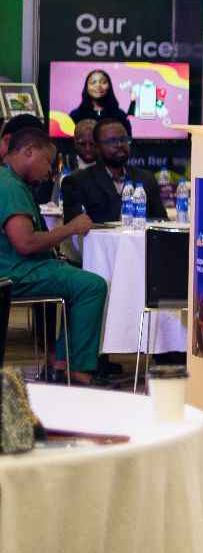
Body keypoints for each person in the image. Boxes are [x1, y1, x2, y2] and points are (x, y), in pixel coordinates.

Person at [0, 116, 110, 384]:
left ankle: (62, 361)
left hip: (19, 267)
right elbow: (25, 243)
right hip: (16, 272)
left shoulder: (9, 180)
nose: (49, 170)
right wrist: (70, 228)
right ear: (28, 152)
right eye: (47, 161)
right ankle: (76, 368)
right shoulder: (10, 186)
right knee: (91, 285)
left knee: (78, 280)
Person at [61, 115, 168, 224]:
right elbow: (73, 229)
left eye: (123, 139)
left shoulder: (146, 179)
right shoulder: (78, 182)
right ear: (97, 147)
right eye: (112, 141)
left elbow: (161, 222)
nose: (119, 145)